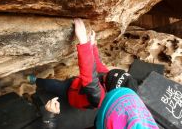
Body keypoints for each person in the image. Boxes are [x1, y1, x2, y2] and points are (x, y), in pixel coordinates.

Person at [28, 18, 158, 129]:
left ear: (108, 89)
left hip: (71, 94)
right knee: (53, 84)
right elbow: (99, 66)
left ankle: (37, 81)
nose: (105, 74)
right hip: (75, 84)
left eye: (106, 77)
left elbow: (89, 76)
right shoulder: (111, 83)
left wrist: (84, 43)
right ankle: (38, 82)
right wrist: (93, 46)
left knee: (52, 85)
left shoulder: (99, 97)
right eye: (108, 74)